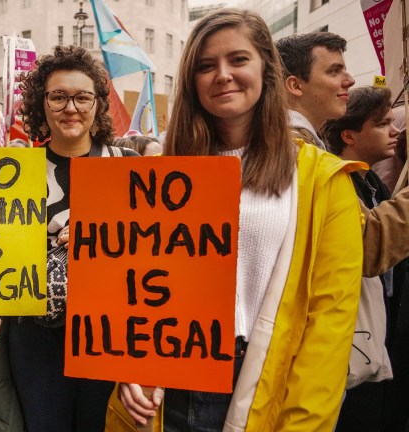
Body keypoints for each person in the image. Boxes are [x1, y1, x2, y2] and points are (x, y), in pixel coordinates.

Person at [107, 9, 363, 431]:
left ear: (267, 68)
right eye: (206, 66)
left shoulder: (323, 179)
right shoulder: (158, 176)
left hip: (259, 386)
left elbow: (330, 322)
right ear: (192, 81)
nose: (222, 74)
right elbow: (131, 286)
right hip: (161, 389)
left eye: (238, 60)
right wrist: (127, 364)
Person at [0, 45, 138, 432]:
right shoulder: (9, 173)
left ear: (98, 104)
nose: (70, 107)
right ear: (41, 103)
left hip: (113, 336)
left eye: (82, 96)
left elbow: (161, 252)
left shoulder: (131, 168)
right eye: (58, 96)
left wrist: (104, 237)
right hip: (35, 339)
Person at [322, 86, 409, 432]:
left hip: (375, 338)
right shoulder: (338, 183)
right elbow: (367, 250)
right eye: (382, 124)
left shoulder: (373, 182)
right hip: (351, 346)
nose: (395, 131)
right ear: (349, 135)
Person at [275, 32, 355, 150]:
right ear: (296, 86)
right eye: (334, 71)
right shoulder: (291, 149)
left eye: (344, 70)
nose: (350, 81)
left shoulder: (288, 141)